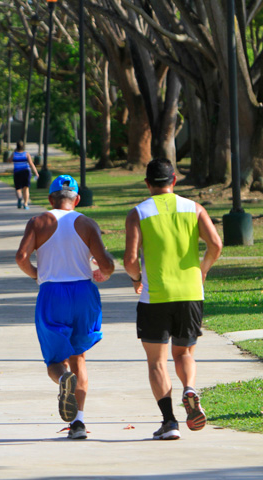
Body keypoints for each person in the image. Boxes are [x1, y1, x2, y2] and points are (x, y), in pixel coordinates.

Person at [123, 158, 222, 441]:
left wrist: (136, 279)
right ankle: (189, 388)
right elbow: (216, 244)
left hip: (155, 297)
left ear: (147, 183)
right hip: (190, 294)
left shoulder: (138, 213)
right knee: (185, 353)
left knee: (157, 362)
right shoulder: (195, 208)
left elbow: (130, 260)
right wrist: (202, 271)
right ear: (174, 180)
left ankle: (169, 421)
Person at [16, 175, 115, 440]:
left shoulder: (38, 222)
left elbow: (21, 257)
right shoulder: (87, 223)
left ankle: (62, 380)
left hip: (52, 292)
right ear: (77, 199)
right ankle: (79, 422)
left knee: (55, 361)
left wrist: (37, 273)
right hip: (83, 292)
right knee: (79, 357)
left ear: (51, 199)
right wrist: (104, 273)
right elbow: (106, 264)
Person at [7, 140, 39, 209]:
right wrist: (36, 172)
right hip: (26, 172)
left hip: (17, 172)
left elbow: (9, 160)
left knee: (18, 188)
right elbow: (31, 164)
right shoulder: (26, 154)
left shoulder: (14, 154)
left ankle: (19, 198)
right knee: (26, 188)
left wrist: (14, 153)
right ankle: (25, 204)